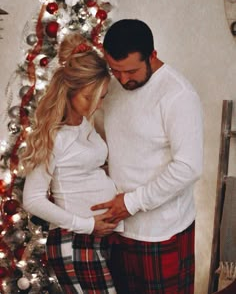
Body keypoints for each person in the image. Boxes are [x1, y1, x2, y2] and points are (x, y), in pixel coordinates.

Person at [91, 19, 204, 294]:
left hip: (160, 231)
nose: (123, 79)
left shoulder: (178, 95)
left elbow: (188, 168)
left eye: (131, 71)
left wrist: (131, 203)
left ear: (152, 55)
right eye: (115, 70)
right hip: (118, 228)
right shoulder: (114, 85)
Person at [22, 32, 123, 294]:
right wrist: (88, 225)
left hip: (94, 239)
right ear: (69, 91)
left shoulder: (84, 124)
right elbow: (32, 200)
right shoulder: (54, 135)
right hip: (75, 240)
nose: (96, 105)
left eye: (101, 97)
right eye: (89, 98)